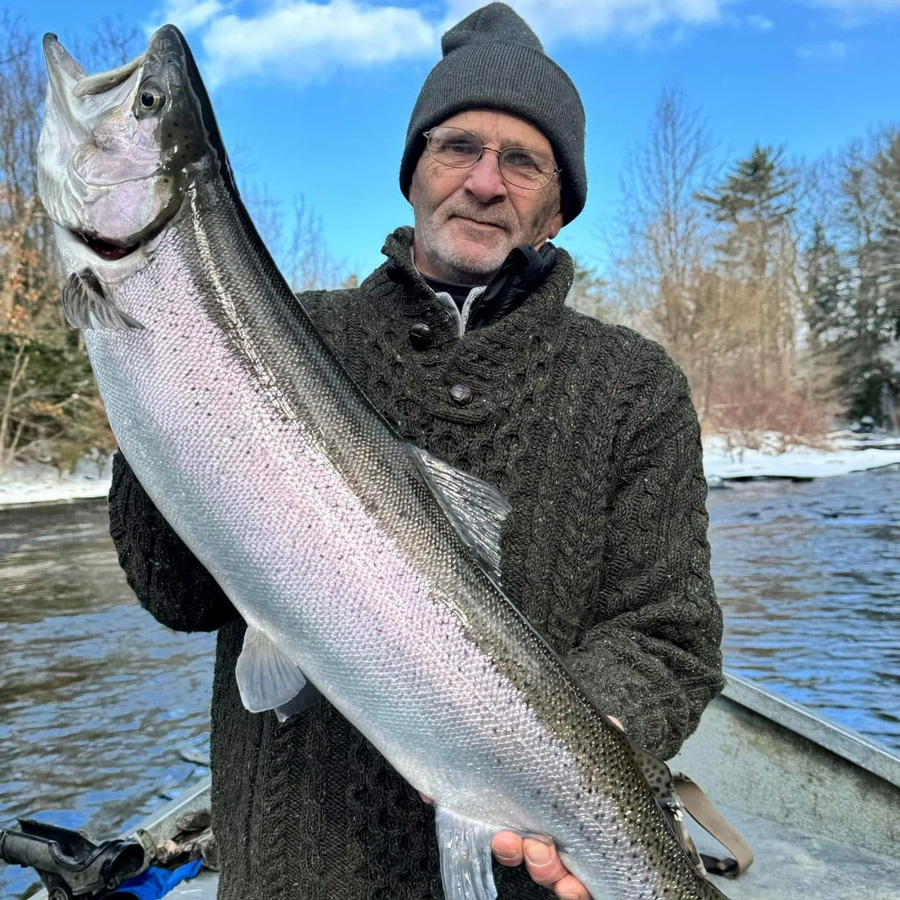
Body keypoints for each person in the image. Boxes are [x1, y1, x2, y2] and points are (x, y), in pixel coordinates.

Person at [107, 4, 724, 899]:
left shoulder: (634, 387)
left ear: (558, 208)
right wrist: (156, 384)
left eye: (523, 161)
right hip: (290, 875)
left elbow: (668, 630)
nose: (483, 181)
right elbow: (175, 595)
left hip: (531, 874)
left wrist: (585, 746)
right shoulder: (289, 334)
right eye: (456, 147)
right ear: (413, 173)